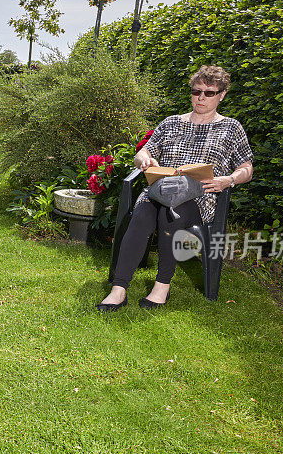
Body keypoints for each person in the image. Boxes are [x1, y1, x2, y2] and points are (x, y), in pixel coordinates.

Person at [96, 65, 254, 311]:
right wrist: (144, 160)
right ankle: (119, 289)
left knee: (171, 213)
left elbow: (246, 167)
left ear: (222, 94)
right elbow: (143, 152)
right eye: (196, 91)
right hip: (161, 190)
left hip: (200, 198)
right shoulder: (171, 123)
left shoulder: (231, 128)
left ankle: (162, 286)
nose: (201, 97)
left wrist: (229, 180)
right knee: (142, 214)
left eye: (209, 93)